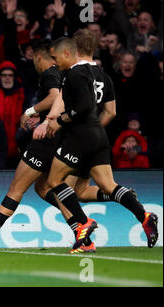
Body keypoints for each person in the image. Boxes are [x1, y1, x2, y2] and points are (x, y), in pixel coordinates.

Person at [45, 37, 157, 251]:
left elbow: (84, 106)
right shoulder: (103, 75)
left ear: (71, 52)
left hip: (79, 137)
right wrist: (96, 131)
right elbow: (112, 111)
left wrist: (60, 121)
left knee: (54, 180)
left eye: (55, 56)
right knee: (103, 187)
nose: (54, 61)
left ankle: (84, 223)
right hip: (98, 136)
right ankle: (144, 215)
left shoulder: (74, 74)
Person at [0, 40, 61, 248]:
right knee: (43, 188)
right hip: (58, 138)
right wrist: (44, 118)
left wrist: (31, 111)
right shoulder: (61, 74)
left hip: (44, 141)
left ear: (38, 57)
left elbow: (55, 97)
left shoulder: (49, 74)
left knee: (16, 189)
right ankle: (82, 224)